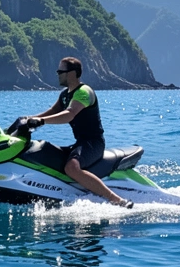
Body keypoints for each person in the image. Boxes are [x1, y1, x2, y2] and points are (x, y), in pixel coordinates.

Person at [16, 56, 132, 208]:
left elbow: (69, 113)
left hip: (93, 143)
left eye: (60, 71)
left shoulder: (84, 92)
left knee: (71, 168)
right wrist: (28, 119)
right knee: (45, 151)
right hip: (80, 143)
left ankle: (116, 200)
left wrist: (42, 121)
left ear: (71, 73)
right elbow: (53, 111)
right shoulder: (65, 94)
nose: (57, 74)